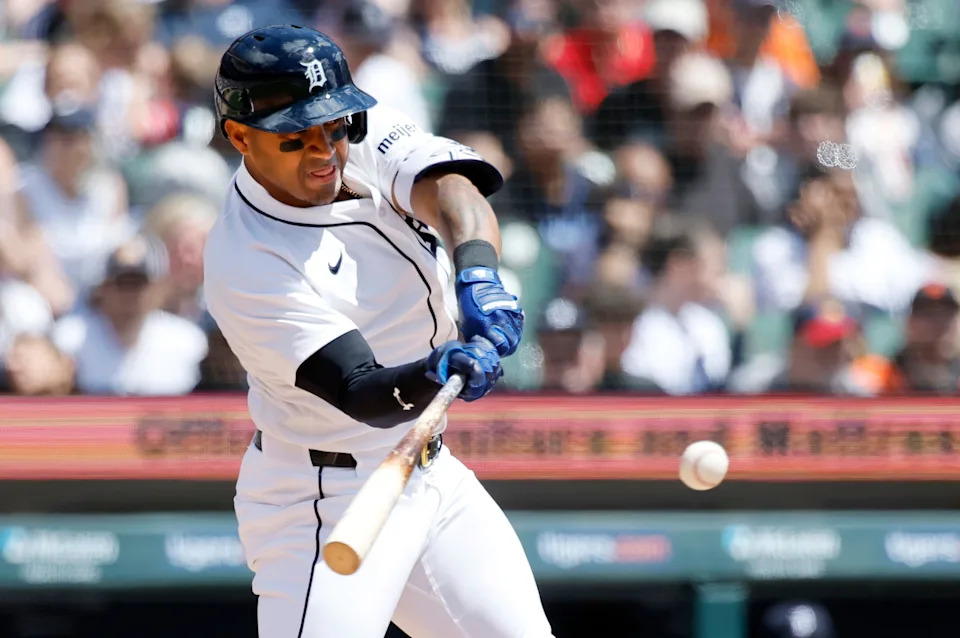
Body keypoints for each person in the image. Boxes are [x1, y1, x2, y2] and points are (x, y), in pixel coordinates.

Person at [203, 25, 549, 638]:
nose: (324, 151)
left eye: (333, 128)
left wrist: (479, 276)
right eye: (295, 137)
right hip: (326, 497)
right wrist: (436, 369)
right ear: (239, 136)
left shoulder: (349, 125)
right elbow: (362, 392)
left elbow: (452, 190)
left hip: (432, 473)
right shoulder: (245, 257)